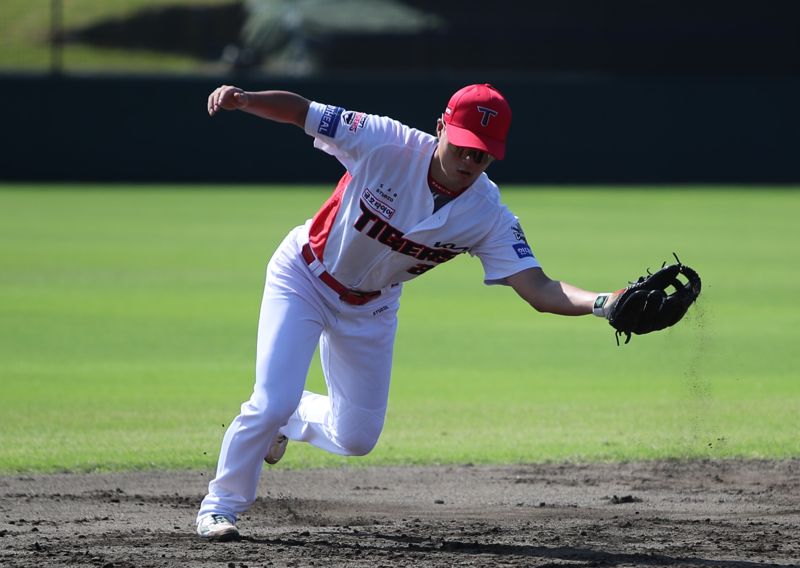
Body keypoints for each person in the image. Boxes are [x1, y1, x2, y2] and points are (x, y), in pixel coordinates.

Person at [196, 83, 622, 540]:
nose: (468, 163)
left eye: (481, 155)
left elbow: (539, 288)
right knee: (269, 398)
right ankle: (220, 506)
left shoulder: (488, 214)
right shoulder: (385, 141)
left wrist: (604, 303)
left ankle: (288, 416)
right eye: (461, 147)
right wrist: (245, 100)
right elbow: (305, 112)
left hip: (372, 308)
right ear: (441, 127)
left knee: (356, 437)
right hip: (304, 276)